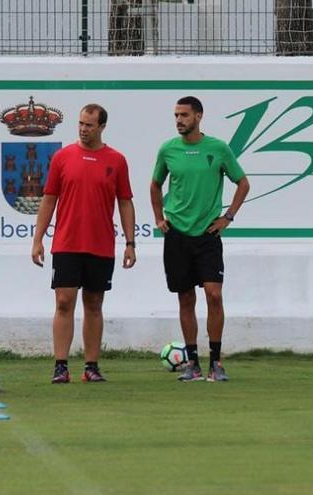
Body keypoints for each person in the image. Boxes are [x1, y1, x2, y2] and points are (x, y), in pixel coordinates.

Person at [31, 104, 137, 384]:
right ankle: (60, 365)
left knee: (94, 303)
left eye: (89, 125)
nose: (83, 128)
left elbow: (125, 202)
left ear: (102, 126)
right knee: (64, 302)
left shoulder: (117, 160)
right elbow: (49, 199)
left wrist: (130, 242)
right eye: (80, 123)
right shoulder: (62, 157)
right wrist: (38, 239)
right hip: (66, 243)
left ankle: (91, 366)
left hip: (101, 245)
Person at [150, 96, 250, 382]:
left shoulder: (217, 148)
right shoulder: (168, 149)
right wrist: (159, 218)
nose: (179, 120)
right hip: (177, 233)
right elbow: (155, 184)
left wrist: (227, 217)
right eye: (176, 116)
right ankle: (192, 363)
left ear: (199, 116)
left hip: (207, 234)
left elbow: (242, 183)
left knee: (214, 295)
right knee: (185, 298)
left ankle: (216, 362)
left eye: (184, 115)